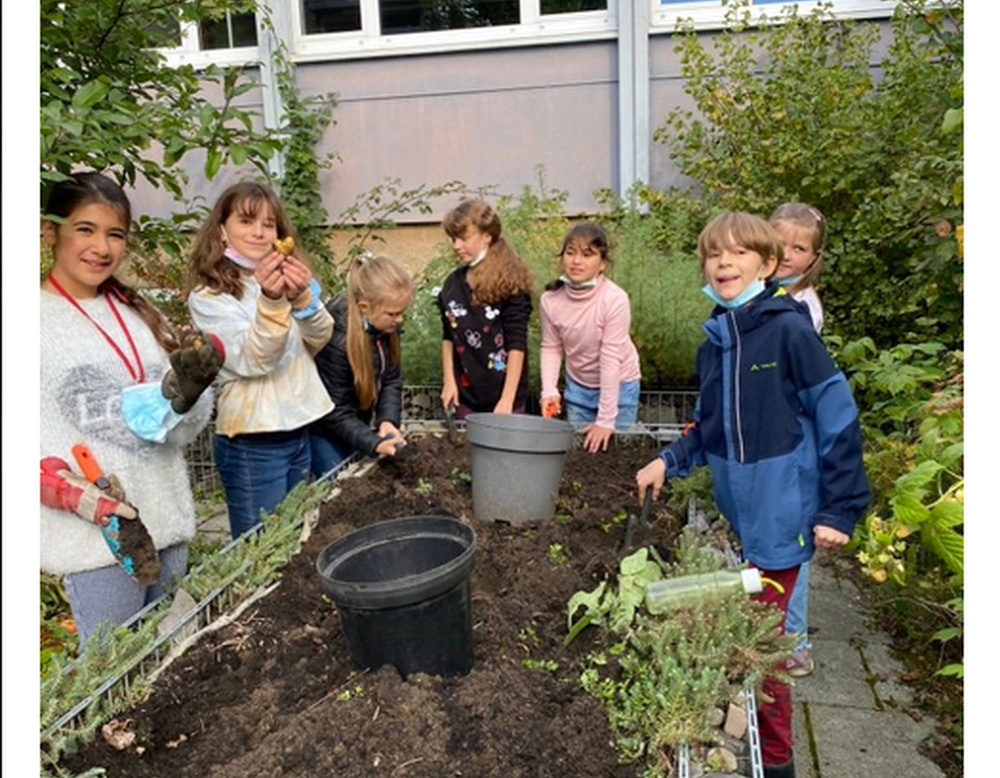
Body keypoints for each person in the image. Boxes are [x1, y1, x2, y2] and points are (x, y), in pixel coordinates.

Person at [635, 212, 870, 778]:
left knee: (766, 647)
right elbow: (709, 425)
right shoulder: (717, 341)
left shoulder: (788, 332)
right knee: (760, 630)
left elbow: (837, 416)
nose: (723, 262)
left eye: (739, 253)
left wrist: (840, 506)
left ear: (768, 265)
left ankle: (780, 761)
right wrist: (666, 460)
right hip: (748, 516)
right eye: (715, 253)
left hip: (784, 514)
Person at [40, 172, 221, 647]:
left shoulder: (141, 316)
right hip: (95, 543)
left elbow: (181, 431)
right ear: (48, 230)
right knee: (108, 681)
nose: (101, 246)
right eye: (85, 229)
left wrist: (187, 398)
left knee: (171, 670)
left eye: (115, 234)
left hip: (167, 525)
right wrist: (57, 487)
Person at [187, 181, 334, 538]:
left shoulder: (277, 280)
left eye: (269, 224)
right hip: (253, 440)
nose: (259, 232)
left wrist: (300, 298)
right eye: (247, 221)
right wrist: (272, 300)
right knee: (258, 550)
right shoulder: (209, 298)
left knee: (294, 540)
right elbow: (255, 359)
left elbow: (318, 338)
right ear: (222, 231)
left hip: (299, 427)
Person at [770, 202, 828, 678]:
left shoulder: (800, 308)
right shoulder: (763, 291)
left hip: (788, 439)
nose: (787, 253)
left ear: (813, 258)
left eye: (799, 247)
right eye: (781, 241)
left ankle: (796, 641)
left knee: (792, 539)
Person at [539, 222, 641, 452]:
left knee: (618, 453)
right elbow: (551, 348)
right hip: (578, 386)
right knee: (582, 456)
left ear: (603, 263)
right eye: (570, 252)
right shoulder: (550, 300)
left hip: (621, 384)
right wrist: (549, 391)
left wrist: (606, 420)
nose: (576, 261)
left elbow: (610, 357)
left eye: (587, 254)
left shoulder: (614, 300)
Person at [310, 254, 414, 475]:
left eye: (402, 312)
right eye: (393, 314)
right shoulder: (338, 340)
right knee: (338, 488)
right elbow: (334, 410)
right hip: (323, 432)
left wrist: (387, 421)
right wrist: (372, 442)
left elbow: (391, 379)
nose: (400, 319)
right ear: (364, 306)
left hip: (355, 424)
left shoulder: (384, 329)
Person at [437, 199, 534, 419]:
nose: (456, 246)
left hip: (505, 397)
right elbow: (448, 336)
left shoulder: (511, 284)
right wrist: (449, 382)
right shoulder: (452, 284)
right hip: (466, 396)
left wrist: (507, 399)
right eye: (453, 239)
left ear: (487, 236)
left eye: (464, 238)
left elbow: (517, 344)